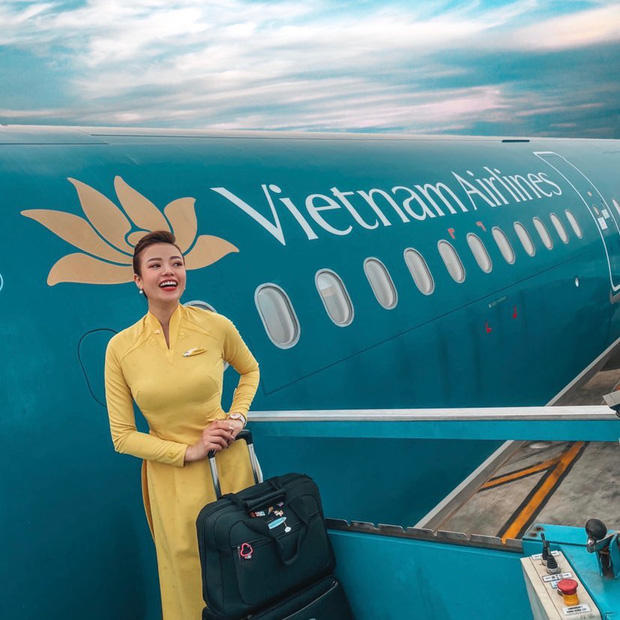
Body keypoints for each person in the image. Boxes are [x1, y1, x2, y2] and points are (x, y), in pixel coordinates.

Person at [104, 230, 260, 619]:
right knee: (190, 577)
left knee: (248, 565)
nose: (168, 271)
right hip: (172, 479)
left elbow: (250, 370)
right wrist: (187, 451)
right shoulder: (120, 347)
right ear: (138, 280)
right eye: (155, 265)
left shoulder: (215, 326)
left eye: (177, 263)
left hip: (228, 468)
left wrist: (237, 416)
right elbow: (122, 437)